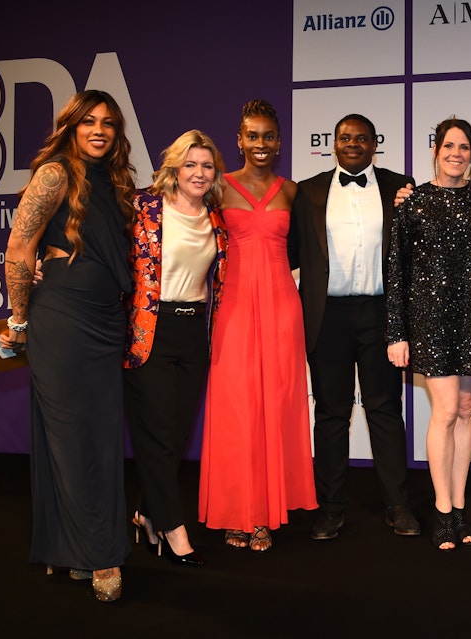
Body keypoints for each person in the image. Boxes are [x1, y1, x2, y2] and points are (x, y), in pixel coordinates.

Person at [0, 90, 135, 602]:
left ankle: (73, 547)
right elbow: (20, 246)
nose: (99, 131)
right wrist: (19, 318)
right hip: (62, 320)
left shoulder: (117, 181)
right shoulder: (56, 174)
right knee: (76, 440)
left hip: (107, 321)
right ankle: (101, 556)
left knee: (99, 440)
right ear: (71, 127)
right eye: (88, 122)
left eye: (108, 123)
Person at [288, 114, 420, 540]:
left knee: (385, 411)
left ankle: (398, 506)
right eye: (345, 137)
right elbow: (289, 253)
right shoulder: (307, 191)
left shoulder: (400, 186)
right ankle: (330, 509)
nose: (352, 144)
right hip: (327, 317)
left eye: (361, 138)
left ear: (374, 144)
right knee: (331, 414)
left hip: (381, 313)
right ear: (334, 143)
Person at [199, 99, 317, 552]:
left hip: (282, 307)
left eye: (268, 136)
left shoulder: (292, 192)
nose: (260, 143)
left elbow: (310, 250)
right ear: (239, 140)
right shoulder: (217, 187)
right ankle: (237, 511)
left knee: (276, 405)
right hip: (233, 307)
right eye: (253, 136)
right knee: (236, 408)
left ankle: (265, 513)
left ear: (280, 142)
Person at [386, 118, 471, 551]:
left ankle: (460, 505)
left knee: (466, 408)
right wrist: (396, 331)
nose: (456, 154)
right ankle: (442, 509)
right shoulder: (412, 201)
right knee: (446, 410)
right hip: (428, 319)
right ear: (435, 149)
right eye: (449, 145)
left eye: (464, 147)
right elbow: (396, 270)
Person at [123, 130, 228, 567]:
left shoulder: (216, 218)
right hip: (149, 330)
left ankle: (146, 513)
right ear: (174, 168)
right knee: (156, 432)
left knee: (176, 434)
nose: (199, 173)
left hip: (193, 332)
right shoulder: (142, 207)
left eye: (207, 165)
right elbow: (99, 248)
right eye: (190, 164)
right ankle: (172, 527)